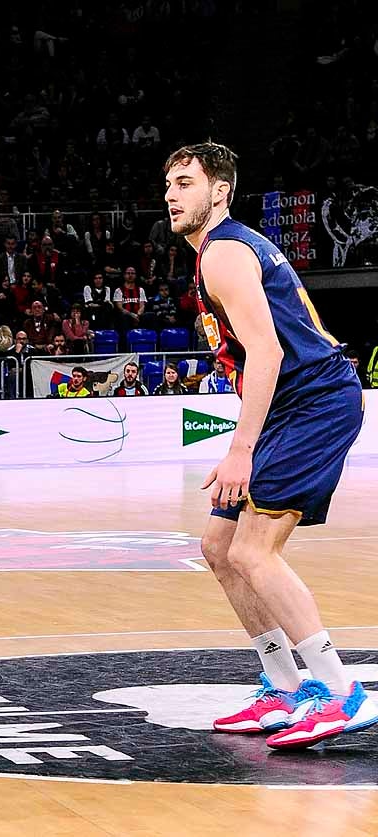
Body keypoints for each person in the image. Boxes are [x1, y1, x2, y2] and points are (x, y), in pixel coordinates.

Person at [165, 142, 372, 748]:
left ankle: (341, 693)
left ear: (219, 191)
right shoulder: (222, 251)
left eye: (185, 182)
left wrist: (240, 449)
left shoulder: (224, 253)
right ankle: (285, 687)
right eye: (169, 184)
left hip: (315, 398)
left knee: (254, 551)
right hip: (294, 402)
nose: (172, 195)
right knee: (219, 545)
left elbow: (270, 351)